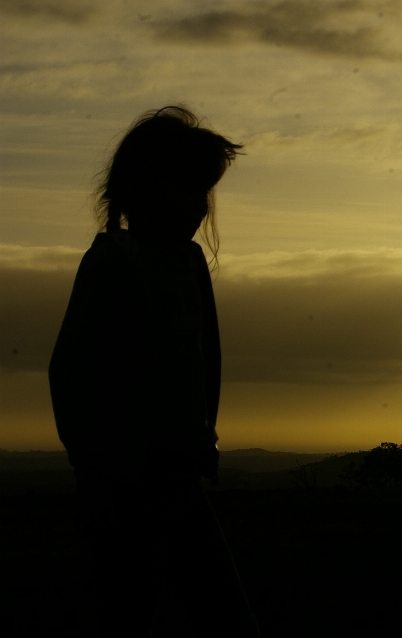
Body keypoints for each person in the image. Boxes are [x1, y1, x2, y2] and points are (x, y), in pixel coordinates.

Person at [48, 106, 259, 636]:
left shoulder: (188, 264)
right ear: (144, 188)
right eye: (186, 189)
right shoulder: (114, 262)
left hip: (178, 477)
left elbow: (205, 360)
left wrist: (201, 439)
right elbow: (70, 372)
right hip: (126, 487)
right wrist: (94, 471)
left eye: (203, 192)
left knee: (221, 617)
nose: (197, 205)